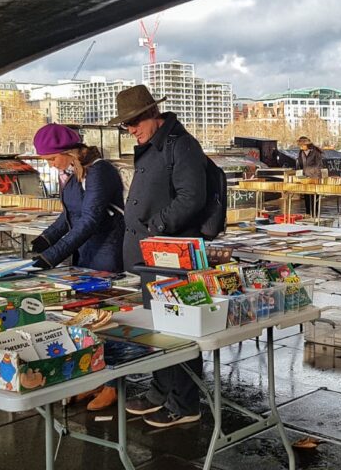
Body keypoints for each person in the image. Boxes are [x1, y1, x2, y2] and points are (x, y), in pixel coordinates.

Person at [109, 84, 207, 428]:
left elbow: (191, 196)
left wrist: (155, 227)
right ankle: (161, 388)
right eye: (126, 125)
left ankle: (185, 402)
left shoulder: (180, 144)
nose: (131, 130)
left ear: (153, 114)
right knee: (159, 327)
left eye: (134, 122)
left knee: (177, 329)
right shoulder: (156, 143)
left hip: (171, 252)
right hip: (152, 253)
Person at [30, 123, 125, 412]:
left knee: (110, 320)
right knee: (88, 319)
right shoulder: (73, 175)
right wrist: (43, 241)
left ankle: (114, 384)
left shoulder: (100, 171)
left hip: (107, 251)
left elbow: (91, 219)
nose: (51, 165)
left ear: (67, 151)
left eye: (51, 159)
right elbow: (68, 217)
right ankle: (94, 376)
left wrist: (52, 256)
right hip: (86, 251)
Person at [295, 136, 324, 218]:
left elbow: (319, 165)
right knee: (307, 197)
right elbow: (300, 164)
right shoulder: (301, 152)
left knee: (314, 197)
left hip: (314, 177)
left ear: (307, 144)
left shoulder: (315, 152)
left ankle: (315, 215)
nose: (301, 147)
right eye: (300, 145)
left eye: (302, 145)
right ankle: (308, 214)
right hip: (305, 178)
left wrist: (316, 177)